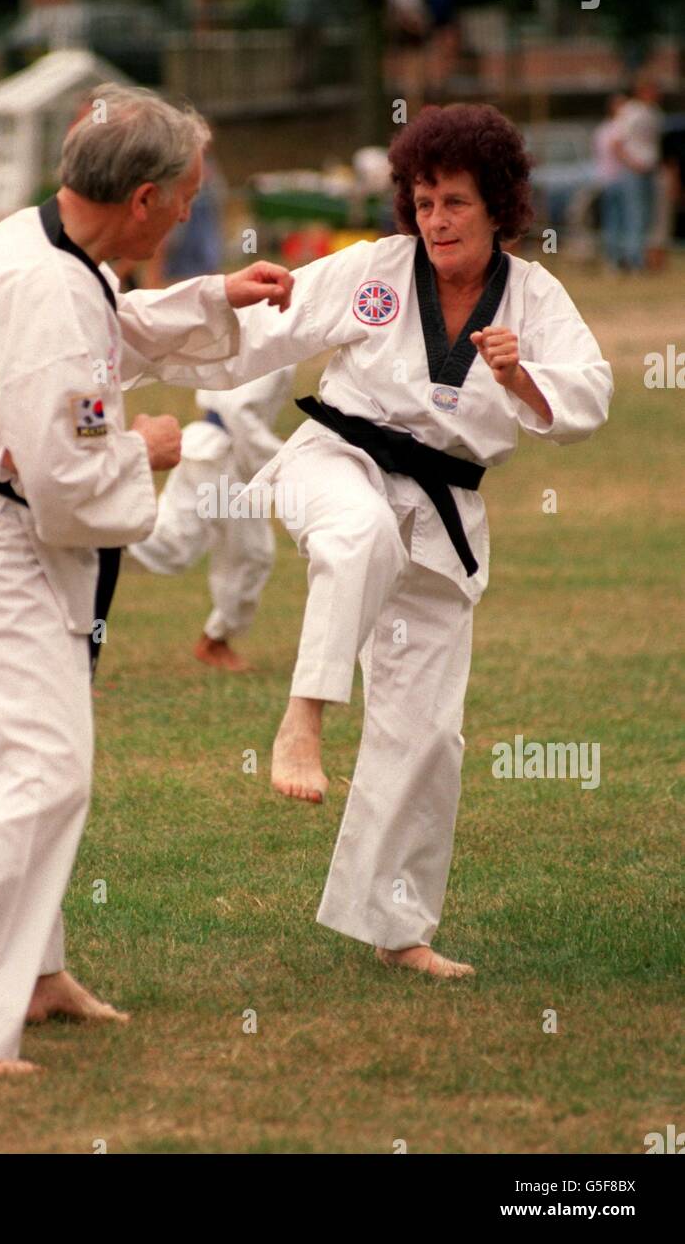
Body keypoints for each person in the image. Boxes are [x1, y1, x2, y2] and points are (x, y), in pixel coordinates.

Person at [137, 103, 613, 979]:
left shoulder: (537, 299)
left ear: (498, 206)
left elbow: (588, 398)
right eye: (424, 201)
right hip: (338, 462)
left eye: (455, 204)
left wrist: (523, 375)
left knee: (427, 731)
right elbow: (255, 334)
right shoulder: (375, 271)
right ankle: (302, 718)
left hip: (443, 512)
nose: (435, 220)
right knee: (358, 538)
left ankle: (395, 927)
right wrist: (122, 333)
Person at [0, 83, 293, 1076]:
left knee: (29, 770)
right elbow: (69, 477)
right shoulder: (51, 291)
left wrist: (212, 298)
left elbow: (106, 329)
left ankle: (31, 973)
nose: (195, 217)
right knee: (37, 775)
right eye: (188, 199)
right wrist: (148, 449)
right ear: (143, 198)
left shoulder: (41, 244)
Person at [127, 365, 297, 671]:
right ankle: (215, 641)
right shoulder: (272, 334)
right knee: (250, 555)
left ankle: (106, 541)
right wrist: (285, 460)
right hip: (225, 456)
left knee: (174, 541)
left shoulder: (254, 324)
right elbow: (238, 411)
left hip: (207, 447)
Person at [611, 73, 663, 270]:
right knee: (634, 215)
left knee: (647, 216)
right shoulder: (630, 111)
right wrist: (632, 164)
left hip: (650, 170)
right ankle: (632, 259)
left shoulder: (655, 113)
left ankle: (640, 256)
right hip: (633, 171)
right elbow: (616, 143)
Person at [593, 93, 627, 268]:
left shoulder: (602, 129)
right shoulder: (619, 127)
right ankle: (618, 257)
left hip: (605, 178)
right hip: (617, 179)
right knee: (620, 220)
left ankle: (613, 257)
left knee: (611, 220)